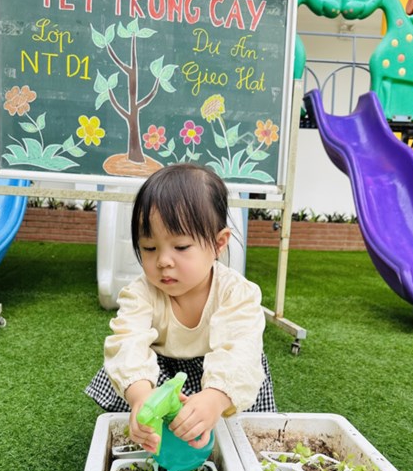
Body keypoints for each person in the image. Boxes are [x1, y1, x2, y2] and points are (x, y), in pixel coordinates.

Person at [85, 163, 277, 453]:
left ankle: (223, 425)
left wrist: (215, 397)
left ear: (218, 244)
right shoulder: (140, 293)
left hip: (220, 375)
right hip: (161, 375)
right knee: (151, 426)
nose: (163, 261)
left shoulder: (236, 292)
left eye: (181, 247)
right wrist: (141, 397)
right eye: (149, 248)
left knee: (236, 439)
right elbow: (128, 344)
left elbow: (240, 350)